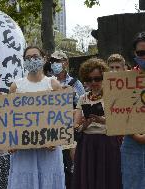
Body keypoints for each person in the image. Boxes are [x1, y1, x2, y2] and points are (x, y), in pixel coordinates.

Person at [7, 46, 65, 189]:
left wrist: (56, 140)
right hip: (23, 151)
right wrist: (10, 142)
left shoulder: (53, 84)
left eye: (35, 57)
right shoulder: (16, 86)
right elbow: (8, 117)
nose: (32, 60)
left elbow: (61, 116)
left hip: (48, 148)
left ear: (44, 59)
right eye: (28, 58)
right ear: (23, 61)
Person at [72, 58, 122, 189]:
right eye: (89, 79)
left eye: (97, 78)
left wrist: (103, 120)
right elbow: (76, 127)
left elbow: (121, 123)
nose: (93, 82)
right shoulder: (82, 99)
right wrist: (85, 124)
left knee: (109, 179)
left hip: (108, 143)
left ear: (104, 77)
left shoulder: (113, 96)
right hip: (87, 144)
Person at [49, 50, 85, 189]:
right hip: (52, 128)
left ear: (66, 63)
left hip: (70, 129)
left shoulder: (76, 83)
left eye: (59, 61)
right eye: (53, 61)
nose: (55, 64)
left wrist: (72, 93)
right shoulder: (47, 81)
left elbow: (83, 105)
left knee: (71, 165)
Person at [120, 31, 145, 189]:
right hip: (131, 143)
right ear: (134, 54)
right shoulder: (124, 80)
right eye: (141, 53)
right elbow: (118, 111)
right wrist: (136, 135)